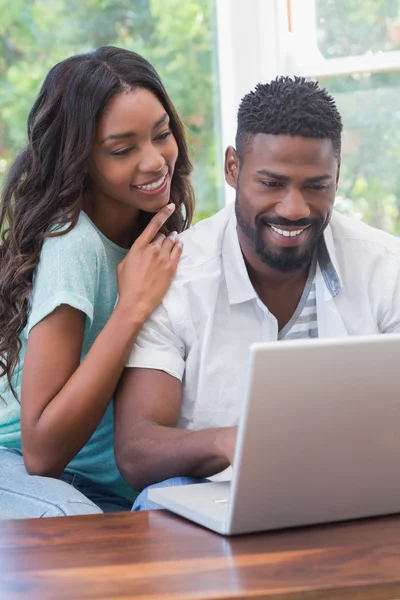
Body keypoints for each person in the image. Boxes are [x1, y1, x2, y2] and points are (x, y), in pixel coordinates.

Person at [113, 76, 400, 510]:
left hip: (354, 493)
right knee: (158, 501)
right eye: (271, 183)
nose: (294, 208)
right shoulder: (177, 274)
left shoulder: (384, 266)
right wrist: (234, 442)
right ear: (233, 168)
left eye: (316, 186)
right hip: (216, 496)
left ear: (337, 176)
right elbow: (137, 450)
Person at [0, 46, 194, 519]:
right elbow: (42, 452)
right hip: (27, 472)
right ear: (80, 159)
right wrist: (131, 308)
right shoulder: (74, 244)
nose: (154, 162)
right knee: (78, 530)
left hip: (114, 485)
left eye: (162, 134)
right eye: (123, 149)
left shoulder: (153, 228)